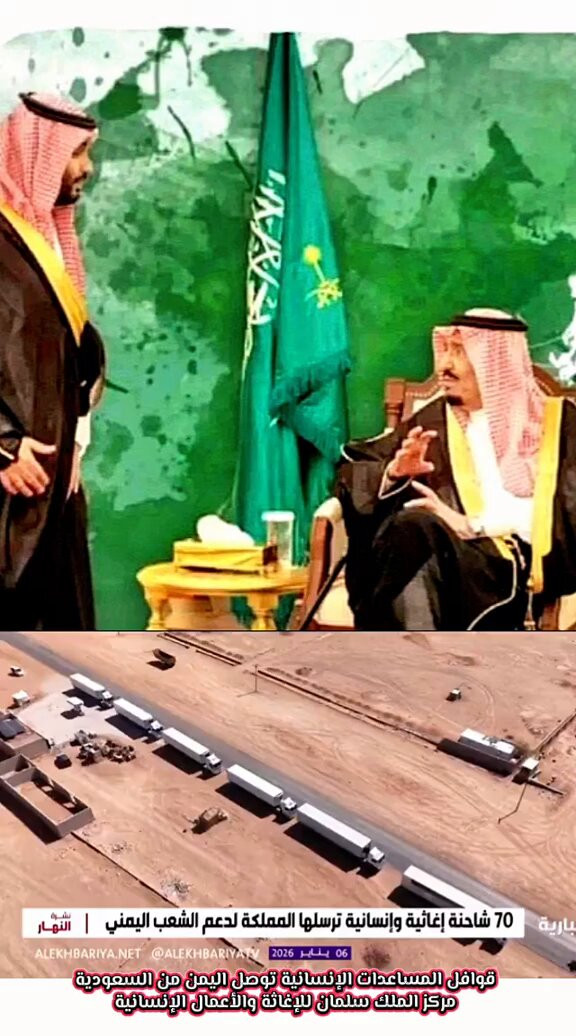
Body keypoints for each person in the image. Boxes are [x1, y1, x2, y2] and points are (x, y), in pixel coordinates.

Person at [336, 308, 576, 631]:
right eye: (445, 350)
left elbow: (565, 515)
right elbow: (358, 466)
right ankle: (423, 654)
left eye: (460, 352)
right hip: (436, 556)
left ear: (494, 362)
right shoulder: (434, 421)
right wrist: (393, 474)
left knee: (415, 533)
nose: (444, 366)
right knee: (413, 529)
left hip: (505, 571)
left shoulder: (558, 425)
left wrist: (472, 525)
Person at [0, 92, 105, 629]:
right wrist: (3, 446)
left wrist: (76, 441)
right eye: (76, 152)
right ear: (37, 152)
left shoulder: (43, 240)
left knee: (62, 645)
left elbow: (70, 352)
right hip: (9, 487)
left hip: (53, 481)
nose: (86, 167)